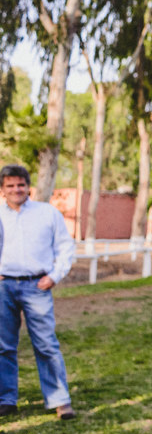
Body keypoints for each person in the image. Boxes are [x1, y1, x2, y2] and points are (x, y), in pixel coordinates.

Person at [0, 164, 76, 420]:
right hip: (4, 287)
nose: (16, 189)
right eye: (10, 185)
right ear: (2, 190)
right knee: (3, 347)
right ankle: (6, 399)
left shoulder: (47, 214)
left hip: (37, 286)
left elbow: (65, 247)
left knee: (46, 344)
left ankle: (59, 400)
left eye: (20, 184)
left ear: (28, 187)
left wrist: (54, 276)